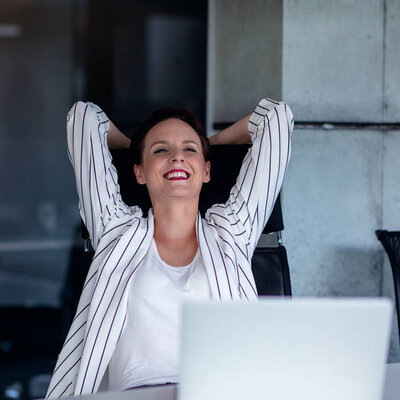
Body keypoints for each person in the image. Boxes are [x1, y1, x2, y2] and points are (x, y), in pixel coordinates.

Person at [46, 98, 294, 398]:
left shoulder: (232, 232)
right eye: (160, 150)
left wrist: (210, 144)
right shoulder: (115, 229)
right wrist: (134, 148)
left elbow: (275, 118)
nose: (177, 157)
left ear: (206, 171)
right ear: (138, 173)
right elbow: (84, 118)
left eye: (189, 149)